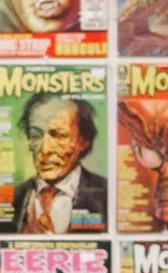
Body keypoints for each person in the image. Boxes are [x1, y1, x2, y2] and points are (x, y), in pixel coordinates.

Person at [10, 94, 108, 233]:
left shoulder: (107, 195)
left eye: (60, 135)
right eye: (36, 135)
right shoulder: (12, 199)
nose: (45, 149)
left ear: (83, 141)